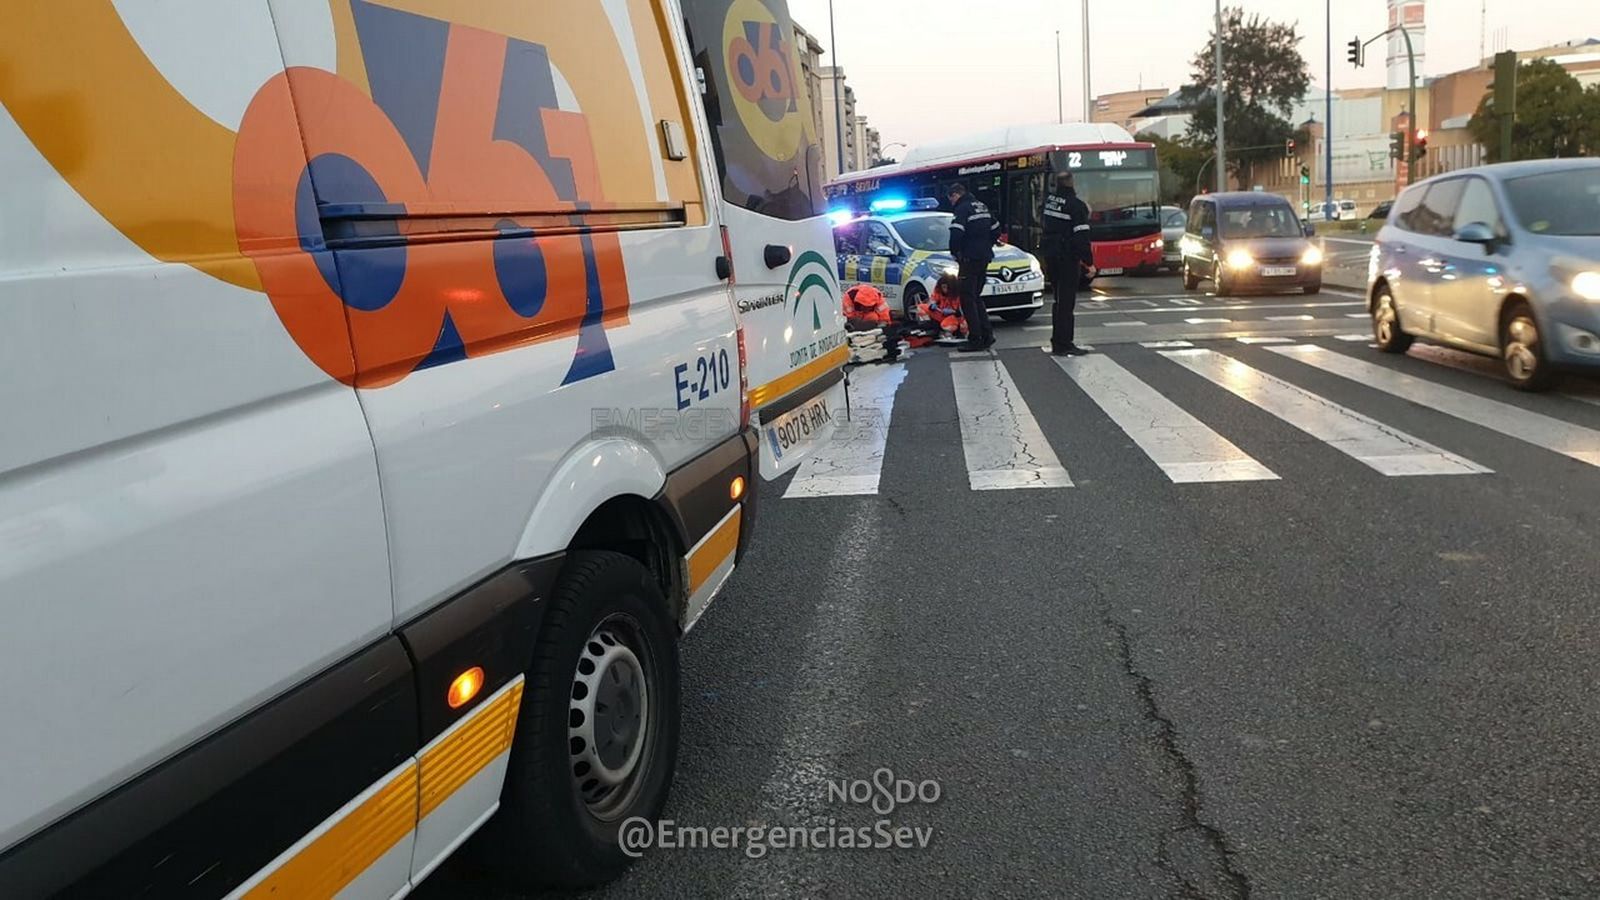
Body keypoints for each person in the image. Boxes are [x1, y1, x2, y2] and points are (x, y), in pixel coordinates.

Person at [1041, 171, 1096, 356]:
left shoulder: (1049, 201)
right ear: (1072, 183)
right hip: (1066, 257)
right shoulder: (1076, 206)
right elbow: (1082, 237)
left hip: (1051, 255)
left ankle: (1057, 341)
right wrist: (1089, 263)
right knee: (1066, 303)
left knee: (1058, 301)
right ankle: (1064, 343)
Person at [945, 182, 999, 352]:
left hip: (969, 258)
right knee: (976, 297)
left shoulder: (962, 209)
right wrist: (986, 245)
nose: (952, 203)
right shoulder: (982, 206)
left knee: (967, 298)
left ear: (956, 195)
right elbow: (996, 229)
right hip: (984, 257)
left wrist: (956, 252)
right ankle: (987, 335)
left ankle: (975, 338)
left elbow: (956, 234)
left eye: (951, 199)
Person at [922, 272, 967, 340]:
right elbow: (933, 299)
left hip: (954, 317)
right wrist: (932, 305)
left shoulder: (958, 295)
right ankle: (935, 329)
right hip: (941, 313)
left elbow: (961, 312)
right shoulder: (938, 290)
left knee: (946, 325)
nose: (944, 289)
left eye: (945, 287)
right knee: (921, 308)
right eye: (943, 287)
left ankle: (955, 332)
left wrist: (953, 312)